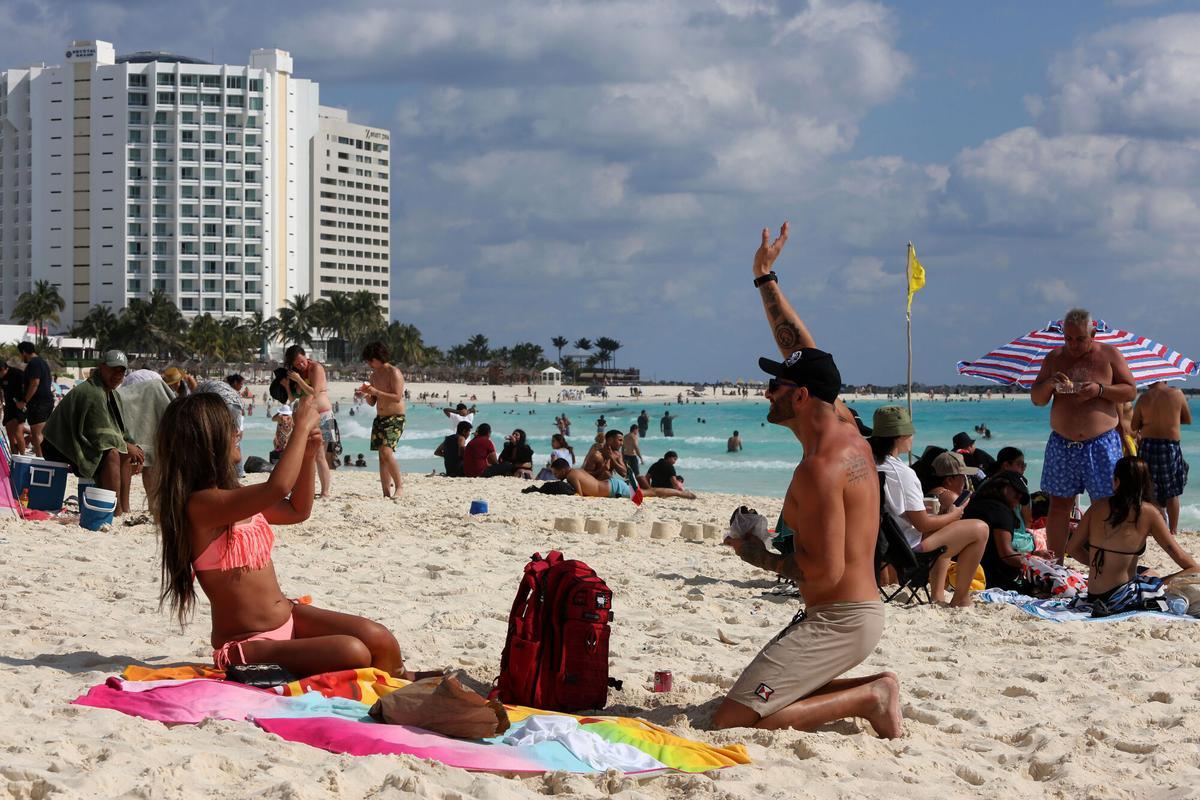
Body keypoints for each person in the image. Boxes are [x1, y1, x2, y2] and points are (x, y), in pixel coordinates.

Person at [711, 221, 901, 738]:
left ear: (799, 398)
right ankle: (874, 685)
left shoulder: (820, 468)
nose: (766, 393)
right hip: (855, 614)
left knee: (731, 721)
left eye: (776, 386)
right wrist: (764, 278)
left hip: (838, 621)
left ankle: (871, 695)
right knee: (750, 701)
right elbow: (811, 357)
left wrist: (759, 556)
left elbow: (823, 572)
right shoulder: (845, 430)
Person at [153, 392, 433, 679]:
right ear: (206, 444)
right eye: (230, 427)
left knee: (379, 637)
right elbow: (276, 488)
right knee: (353, 652)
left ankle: (402, 679)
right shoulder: (201, 506)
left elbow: (297, 509)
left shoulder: (234, 496)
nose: (238, 432)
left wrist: (309, 455)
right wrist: (298, 430)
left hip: (289, 615)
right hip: (249, 644)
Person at [1030, 308, 1137, 560]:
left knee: (1107, 504)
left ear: (1093, 333)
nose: (1073, 345)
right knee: (1059, 505)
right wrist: (1049, 384)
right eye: (1068, 338)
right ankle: (1056, 561)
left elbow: (1130, 390)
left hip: (1101, 443)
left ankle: (1107, 559)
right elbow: (1037, 399)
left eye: (1080, 339)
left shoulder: (1109, 355)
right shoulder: (1054, 358)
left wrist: (1100, 390)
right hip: (1062, 443)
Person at [871, 407, 988, 606]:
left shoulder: (870, 464)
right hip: (906, 546)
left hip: (880, 541)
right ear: (899, 437)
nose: (912, 437)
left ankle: (938, 596)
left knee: (943, 528)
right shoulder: (901, 473)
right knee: (980, 529)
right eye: (910, 433)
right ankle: (960, 597)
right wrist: (954, 513)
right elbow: (923, 524)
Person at [1066, 456, 1198, 616]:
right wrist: (1169, 580)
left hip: (1093, 595)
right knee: (1191, 572)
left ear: (1116, 481)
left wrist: (1099, 566)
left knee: (1148, 572)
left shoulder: (1097, 507)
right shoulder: (1149, 513)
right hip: (1121, 597)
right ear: (1145, 484)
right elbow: (1184, 561)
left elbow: (1072, 548)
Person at [42, 350, 145, 516]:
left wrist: (135, 448)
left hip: (81, 440)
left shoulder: (113, 395)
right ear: (102, 367)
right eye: (113, 369)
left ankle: (124, 508)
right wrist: (127, 446)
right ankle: (114, 509)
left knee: (125, 453)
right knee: (112, 453)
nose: (117, 375)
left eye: (121, 371)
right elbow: (101, 435)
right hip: (59, 445)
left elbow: (120, 430)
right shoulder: (93, 392)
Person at [963, 471, 1051, 590]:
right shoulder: (1002, 511)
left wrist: (1033, 555)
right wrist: (1039, 564)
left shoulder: (974, 502)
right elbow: (1006, 555)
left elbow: (992, 547)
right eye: (1016, 494)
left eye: (1021, 499)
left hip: (964, 569)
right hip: (987, 577)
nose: (1018, 500)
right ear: (1003, 486)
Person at [1131, 381, 1192, 534]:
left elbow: (1134, 426)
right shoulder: (1177, 393)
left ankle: (1153, 528)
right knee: (1172, 492)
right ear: (1165, 379)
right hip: (1169, 446)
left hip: (1148, 446)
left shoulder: (1143, 398)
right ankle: (1172, 530)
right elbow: (1187, 419)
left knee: (1148, 489)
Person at [285, 345, 336, 497]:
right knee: (305, 453)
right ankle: (303, 488)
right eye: (296, 363)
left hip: (323, 415)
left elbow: (315, 391)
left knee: (320, 454)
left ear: (305, 356)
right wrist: (288, 386)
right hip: (306, 416)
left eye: (301, 361)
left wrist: (299, 379)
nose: (300, 365)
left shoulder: (315, 368)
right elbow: (293, 398)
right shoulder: (296, 373)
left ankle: (325, 491)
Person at [362, 342, 406, 499]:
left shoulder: (394, 372)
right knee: (381, 457)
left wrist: (376, 391)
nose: (368, 363)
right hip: (380, 418)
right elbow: (373, 401)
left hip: (395, 418)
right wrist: (367, 394)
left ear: (378, 358)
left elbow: (397, 397)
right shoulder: (373, 375)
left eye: (370, 360)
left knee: (387, 452)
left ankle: (399, 487)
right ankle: (386, 493)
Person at [16, 341, 54, 457]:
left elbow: (34, 383)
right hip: (45, 402)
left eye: (21, 354)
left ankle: (41, 461)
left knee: (38, 434)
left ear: (24, 352)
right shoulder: (42, 362)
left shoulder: (34, 363)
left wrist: (24, 401)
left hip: (39, 403)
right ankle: (41, 458)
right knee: (38, 433)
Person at [2, 361, 27, 455]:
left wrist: (24, 402)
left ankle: (23, 456)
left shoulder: (18, 374)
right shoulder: (2, 377)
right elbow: (1, 391)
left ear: (5, 369)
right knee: (9, 432)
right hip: (9, 405)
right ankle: (14, 456)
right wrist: (2, 404)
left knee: (18, 432)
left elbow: (27, 389)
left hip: (20, 405)